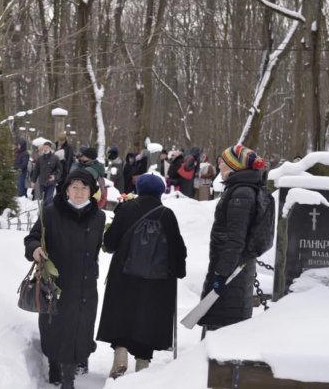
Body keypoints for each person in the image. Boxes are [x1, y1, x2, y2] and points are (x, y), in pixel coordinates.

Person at [97, 173, 187, 378]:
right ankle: (142, 366)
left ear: (139, 189)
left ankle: (120, 354)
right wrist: (179, 271)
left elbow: (110, 243)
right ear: (160, 192)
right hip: (157, 281)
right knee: (149, 318)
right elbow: (177, 248)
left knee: (122, 314)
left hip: (124, 275)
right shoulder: (167, 214)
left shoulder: (127, 208)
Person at [24, 168, 106, 389]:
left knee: (80, 330)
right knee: (54, 328)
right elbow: (31, 239)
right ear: (66, 189)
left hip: (85, 285)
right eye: (74, 187)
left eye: (84, 187)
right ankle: (53, 365)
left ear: (92, 191)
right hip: (56, 283)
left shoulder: (98, 217)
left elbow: (98, 247)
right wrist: (35, 250)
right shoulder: (51, 213)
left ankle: (68, 379)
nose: (79, 192)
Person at [197, 144, 267, 336]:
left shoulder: (242, 193)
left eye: (224, 162)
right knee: (220, 320)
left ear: (235, 166)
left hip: (232, 271)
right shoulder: (240, 189)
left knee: (222, 326)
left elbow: (236, 238)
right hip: (233, 267)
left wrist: (222, 274)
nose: (219, 166)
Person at [29, 141, 62, 206]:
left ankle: (49, 213)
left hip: (51, 183)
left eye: (47, 147)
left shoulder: (55, 158)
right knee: (43, 200)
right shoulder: (40, 158)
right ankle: (43, 213)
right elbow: (36, 170)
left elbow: (60, 169)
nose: (45, 149)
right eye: (44, 147)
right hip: (42, 182)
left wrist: (55, 176)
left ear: (50, 148)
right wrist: (33, 181)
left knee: (49, 200)